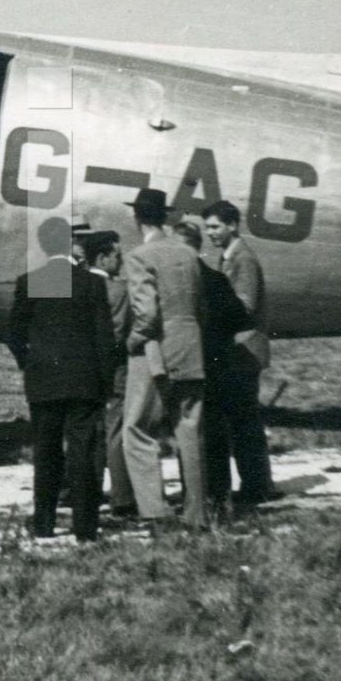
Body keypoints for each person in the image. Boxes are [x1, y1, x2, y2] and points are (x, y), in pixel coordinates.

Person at [9, 216, 114, 542]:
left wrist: (31, 363)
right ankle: (85, 528)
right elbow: (104, 339)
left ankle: (44, 524)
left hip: (44, 382)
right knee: (83, 454)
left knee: (47, 453)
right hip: (84, 381)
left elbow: (14, 334)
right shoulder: (91, 283)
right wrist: (105, 382)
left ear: (42, 245)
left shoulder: (30, 282)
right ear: (71, 243)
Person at [122, 189, 211, 529]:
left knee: (137, 430)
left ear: (138, 218)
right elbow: (200, 307)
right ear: (164, 217)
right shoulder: (189, 254)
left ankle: (155, 512)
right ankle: (197, 514)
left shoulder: (139, 256)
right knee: (189, 428)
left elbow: (146, 315)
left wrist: (132, 342)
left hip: (156, 351)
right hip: (191, 347)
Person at [201, 200, 281, 505]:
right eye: (207, 227)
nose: (210, 233)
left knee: (244, 420)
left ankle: (257, 485)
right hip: (238, 349)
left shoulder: (242, 259)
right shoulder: (229, 256)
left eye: (215, 227)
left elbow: (244, 306)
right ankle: (256, 483)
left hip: (243, 350)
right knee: (243, 419)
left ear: (232, 225)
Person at [172, 219, 248, 517]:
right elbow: (241, 319)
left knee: (187, 434)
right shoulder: (216, 280)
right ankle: (221, 499)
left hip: (183, 367)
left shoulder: (172, 284)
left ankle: (194, 501)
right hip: (216, 367)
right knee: (216, 433)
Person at [83, 230, 135, 519]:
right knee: (115, 430)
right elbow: (116, 333)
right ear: (103, 258)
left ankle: (87, 492)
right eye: (117, 255)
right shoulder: (119, 290)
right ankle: (123, 497)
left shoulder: (76, 285)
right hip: (114, 367)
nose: (122, 260)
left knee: (89, 431)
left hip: (84, 368)